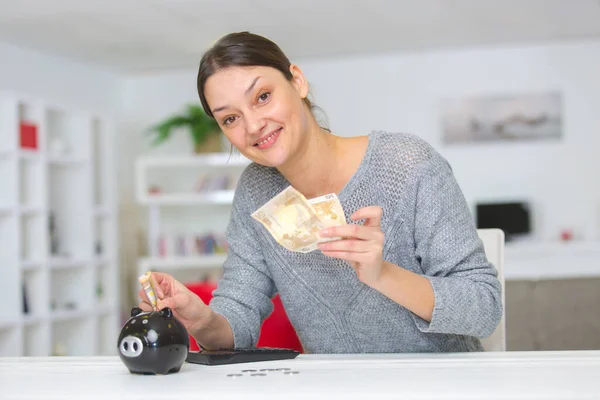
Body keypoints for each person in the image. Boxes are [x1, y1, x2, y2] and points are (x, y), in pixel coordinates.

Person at [138, 31, 502, 353]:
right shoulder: (255, 191)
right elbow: (239, 319)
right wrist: (200, 319)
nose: (253, 125)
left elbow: (484, 308)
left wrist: (382, 274)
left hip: (443, 384)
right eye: (230, 118)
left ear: (297, 81)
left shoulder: (409, 164)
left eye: (262, 96)